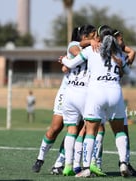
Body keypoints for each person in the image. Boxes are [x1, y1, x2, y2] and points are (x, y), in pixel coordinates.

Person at [61, 25, 131, 178]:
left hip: (96, 94)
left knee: (91, 131)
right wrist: (121, 63)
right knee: (119, 131)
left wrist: (64, 60)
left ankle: (86, 168)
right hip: (115, 93)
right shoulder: (118, 52)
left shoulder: (90, 51)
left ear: (98, 37)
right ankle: (123, 163)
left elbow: (71, 64)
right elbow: (127, 71)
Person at [31, 25, 98, 175]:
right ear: (85, 37)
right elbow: (76, 52)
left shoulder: (94, 52)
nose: (96, 39)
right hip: (67, 93)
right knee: (55, 127)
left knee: (75, 130)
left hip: (84, 95)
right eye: (93, 36)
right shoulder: (74, 45)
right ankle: (40, 158)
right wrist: (69, 60)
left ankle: (59, 164)